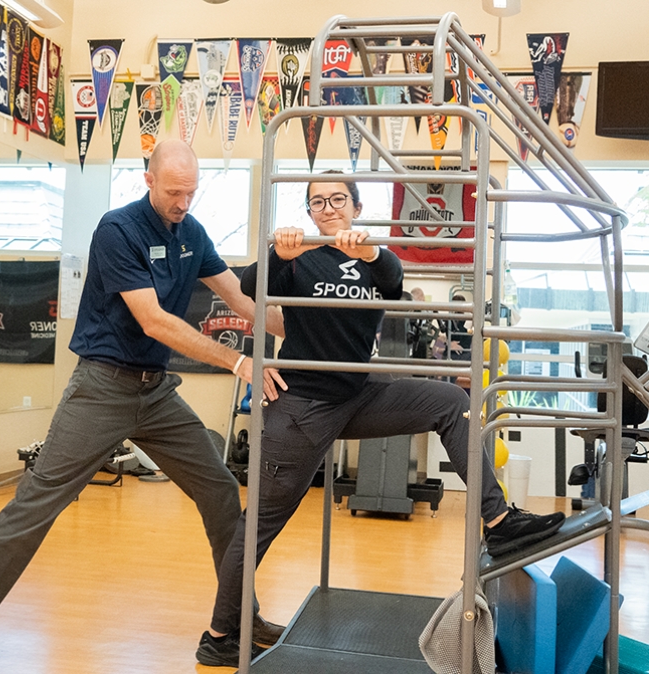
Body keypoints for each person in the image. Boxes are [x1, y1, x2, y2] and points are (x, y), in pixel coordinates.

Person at [0, 140, 285, 674]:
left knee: (220, 488)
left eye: (192, 191)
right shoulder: (118, 230)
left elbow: (243, 302)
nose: (184, 202)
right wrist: (238, 362)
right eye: (175, 191)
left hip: (154, 392)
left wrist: (312, 323)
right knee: (35, 506)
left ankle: (236, 624)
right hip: (101, 388)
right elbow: (154, 322)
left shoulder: (192, 233)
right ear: (148, 180)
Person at [197, 172, 565, 667]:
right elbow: (249, 286)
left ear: (356, 205)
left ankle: (497, 519)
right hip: (303, 408)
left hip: (358, 395)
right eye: (317, 203)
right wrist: (279, 255)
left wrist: (368, 253)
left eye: (337, 200)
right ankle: (219, 635)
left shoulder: (376, 258)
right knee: (260, 523)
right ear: (309, 212)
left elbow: (393, 278)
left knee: (447, 401)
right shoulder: (298, 256)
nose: (327, 208)